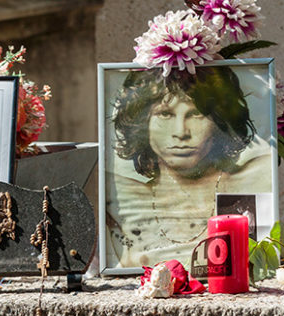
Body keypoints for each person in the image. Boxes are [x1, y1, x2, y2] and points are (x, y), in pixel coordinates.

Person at [105, 66, 272, 269]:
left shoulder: (253, 180)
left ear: (219, 121)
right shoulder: (116, 196)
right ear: (142, 124)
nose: (181, 132)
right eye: (165, 114)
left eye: (196, 114)